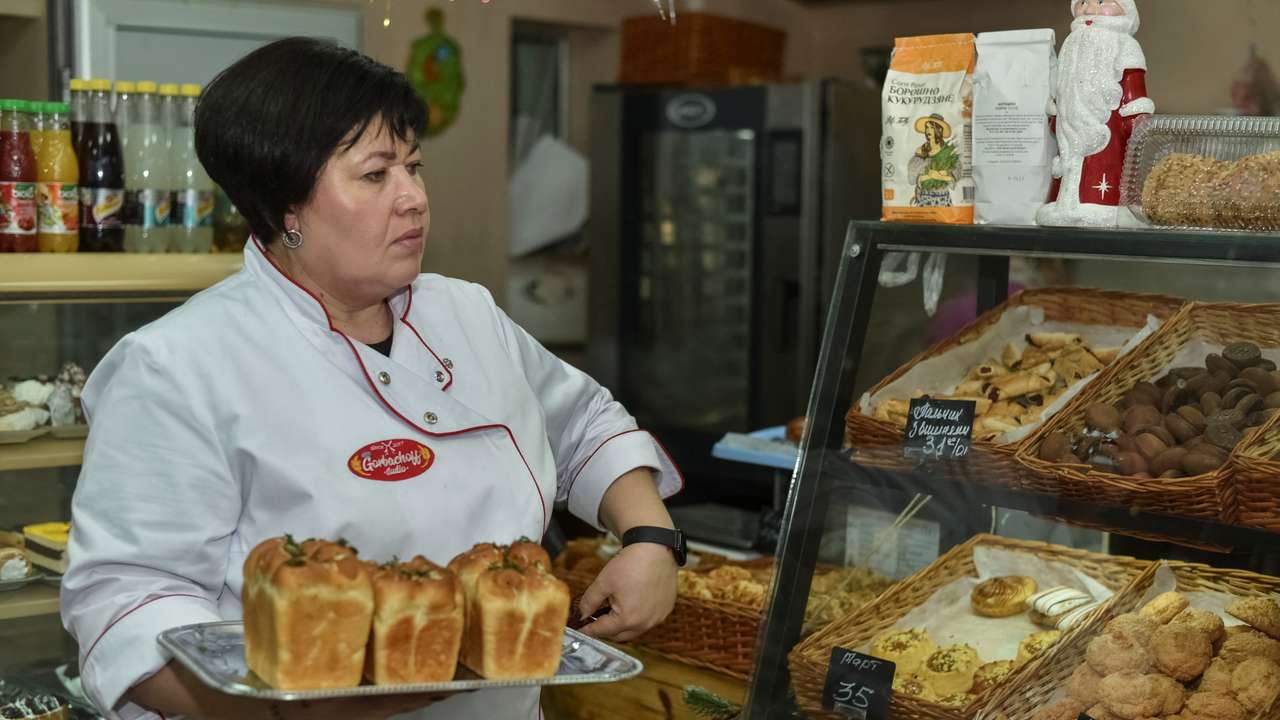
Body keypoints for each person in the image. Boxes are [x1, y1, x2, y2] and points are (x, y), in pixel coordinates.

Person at [61, 37, 683, 720]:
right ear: (285, 207)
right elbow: (127, 602)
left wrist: (651, 539)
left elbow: (586, 424)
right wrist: (300, 708)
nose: (414, 198)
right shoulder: (178, 364)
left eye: (414, 166)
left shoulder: (466, 314)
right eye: (376, 174)